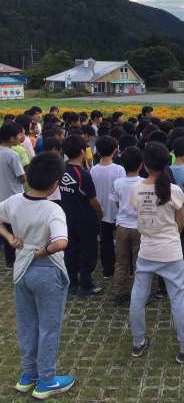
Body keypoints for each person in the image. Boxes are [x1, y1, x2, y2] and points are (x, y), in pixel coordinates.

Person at [0, 151, 75, 399]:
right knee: (49, 327)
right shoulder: (53, 210)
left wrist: (10, 237)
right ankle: (47, 381)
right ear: (54, 184)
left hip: (21, 270)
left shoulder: (14, 201)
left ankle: (28, 375)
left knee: (27, 325)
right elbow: (61, 242)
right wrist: (45, 251)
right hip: (48, 271)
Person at [129, 142, 184, 363]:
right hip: (171, 252)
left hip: (146, 250)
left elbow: (137, 211)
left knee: (138, 296)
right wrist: (171, 236)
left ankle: (138, 342)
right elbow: (180, 223)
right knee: (178, 299)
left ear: (145, 165)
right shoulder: (174, 190)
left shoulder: (136, 188)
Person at [60, 135, 103, 296]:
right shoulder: (83, 174)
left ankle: (72, 283)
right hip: (85, 219)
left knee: (70, 250)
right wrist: (100, 212)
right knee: (88, 251)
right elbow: (93, 200)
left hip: (67, 217)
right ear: (82, 152)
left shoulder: (62, 170)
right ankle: (86, 284)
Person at [110, 146, 143, 306]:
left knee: (121, 261)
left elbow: (116, 203)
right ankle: (139, 294)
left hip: (122, 226)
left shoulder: (117, 182)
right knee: (139, 263)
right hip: (139, 227)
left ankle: (119, 292)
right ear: (141, 164)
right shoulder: (144, 183)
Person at [90, 136, 126, 279]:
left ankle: (107, 270)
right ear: (115, 150)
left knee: (105, 241)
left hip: (100, 211)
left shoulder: (93, 170)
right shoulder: (119, 169)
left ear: (97, 151)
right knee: (121, 241)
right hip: (117, 210)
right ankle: (125, 269)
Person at [0, 122, 26, 268]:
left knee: (5, 229)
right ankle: (17, 259)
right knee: (16, 230)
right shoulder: (12, 155)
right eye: (18, 134)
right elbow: (22, 177)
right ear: (11, 138)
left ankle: (9, 260)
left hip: (1, 196)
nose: (20, 137)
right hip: (14, 196)